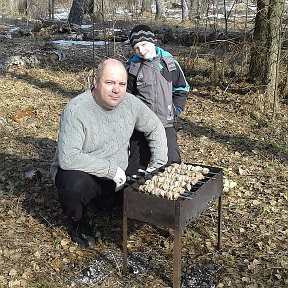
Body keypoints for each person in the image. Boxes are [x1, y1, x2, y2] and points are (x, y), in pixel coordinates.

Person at [50, 58, 168, 248]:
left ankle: (116, 199)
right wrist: (110, 170)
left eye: (121, 84)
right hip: (87, 173)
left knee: (143, 137)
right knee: (73, 184)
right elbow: (68, 158)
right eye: (110, 82)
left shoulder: (130, 103)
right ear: (95, 82)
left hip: (120, 175)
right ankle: (78, 224)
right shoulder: (77, 109)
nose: (116, 90)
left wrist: (158, 164)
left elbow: (155, 126)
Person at [125, 24, 190, 176]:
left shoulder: (169, 64)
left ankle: (169, 197)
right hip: (141, 126)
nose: (141, 50)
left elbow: (182, 88)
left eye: (143, 44)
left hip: (165, 123)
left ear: (153, 41)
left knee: (171, 165)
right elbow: (126, 97)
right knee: (135, 167)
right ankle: (133, 197)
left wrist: (175, 110)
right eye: (136, 48)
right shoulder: (132, 68)